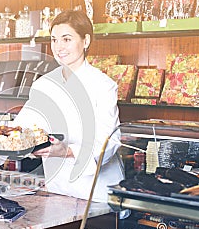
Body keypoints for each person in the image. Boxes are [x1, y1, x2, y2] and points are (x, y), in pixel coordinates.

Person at [12, 10, 124, 202]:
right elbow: (22, 128)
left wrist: (67, 151)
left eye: (66, 39)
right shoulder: (44, 85)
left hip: (95, 194)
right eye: (54, 40)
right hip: (58, 190)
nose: (58, 47)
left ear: (86, 41)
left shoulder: (103, 85)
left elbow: (109, 143)